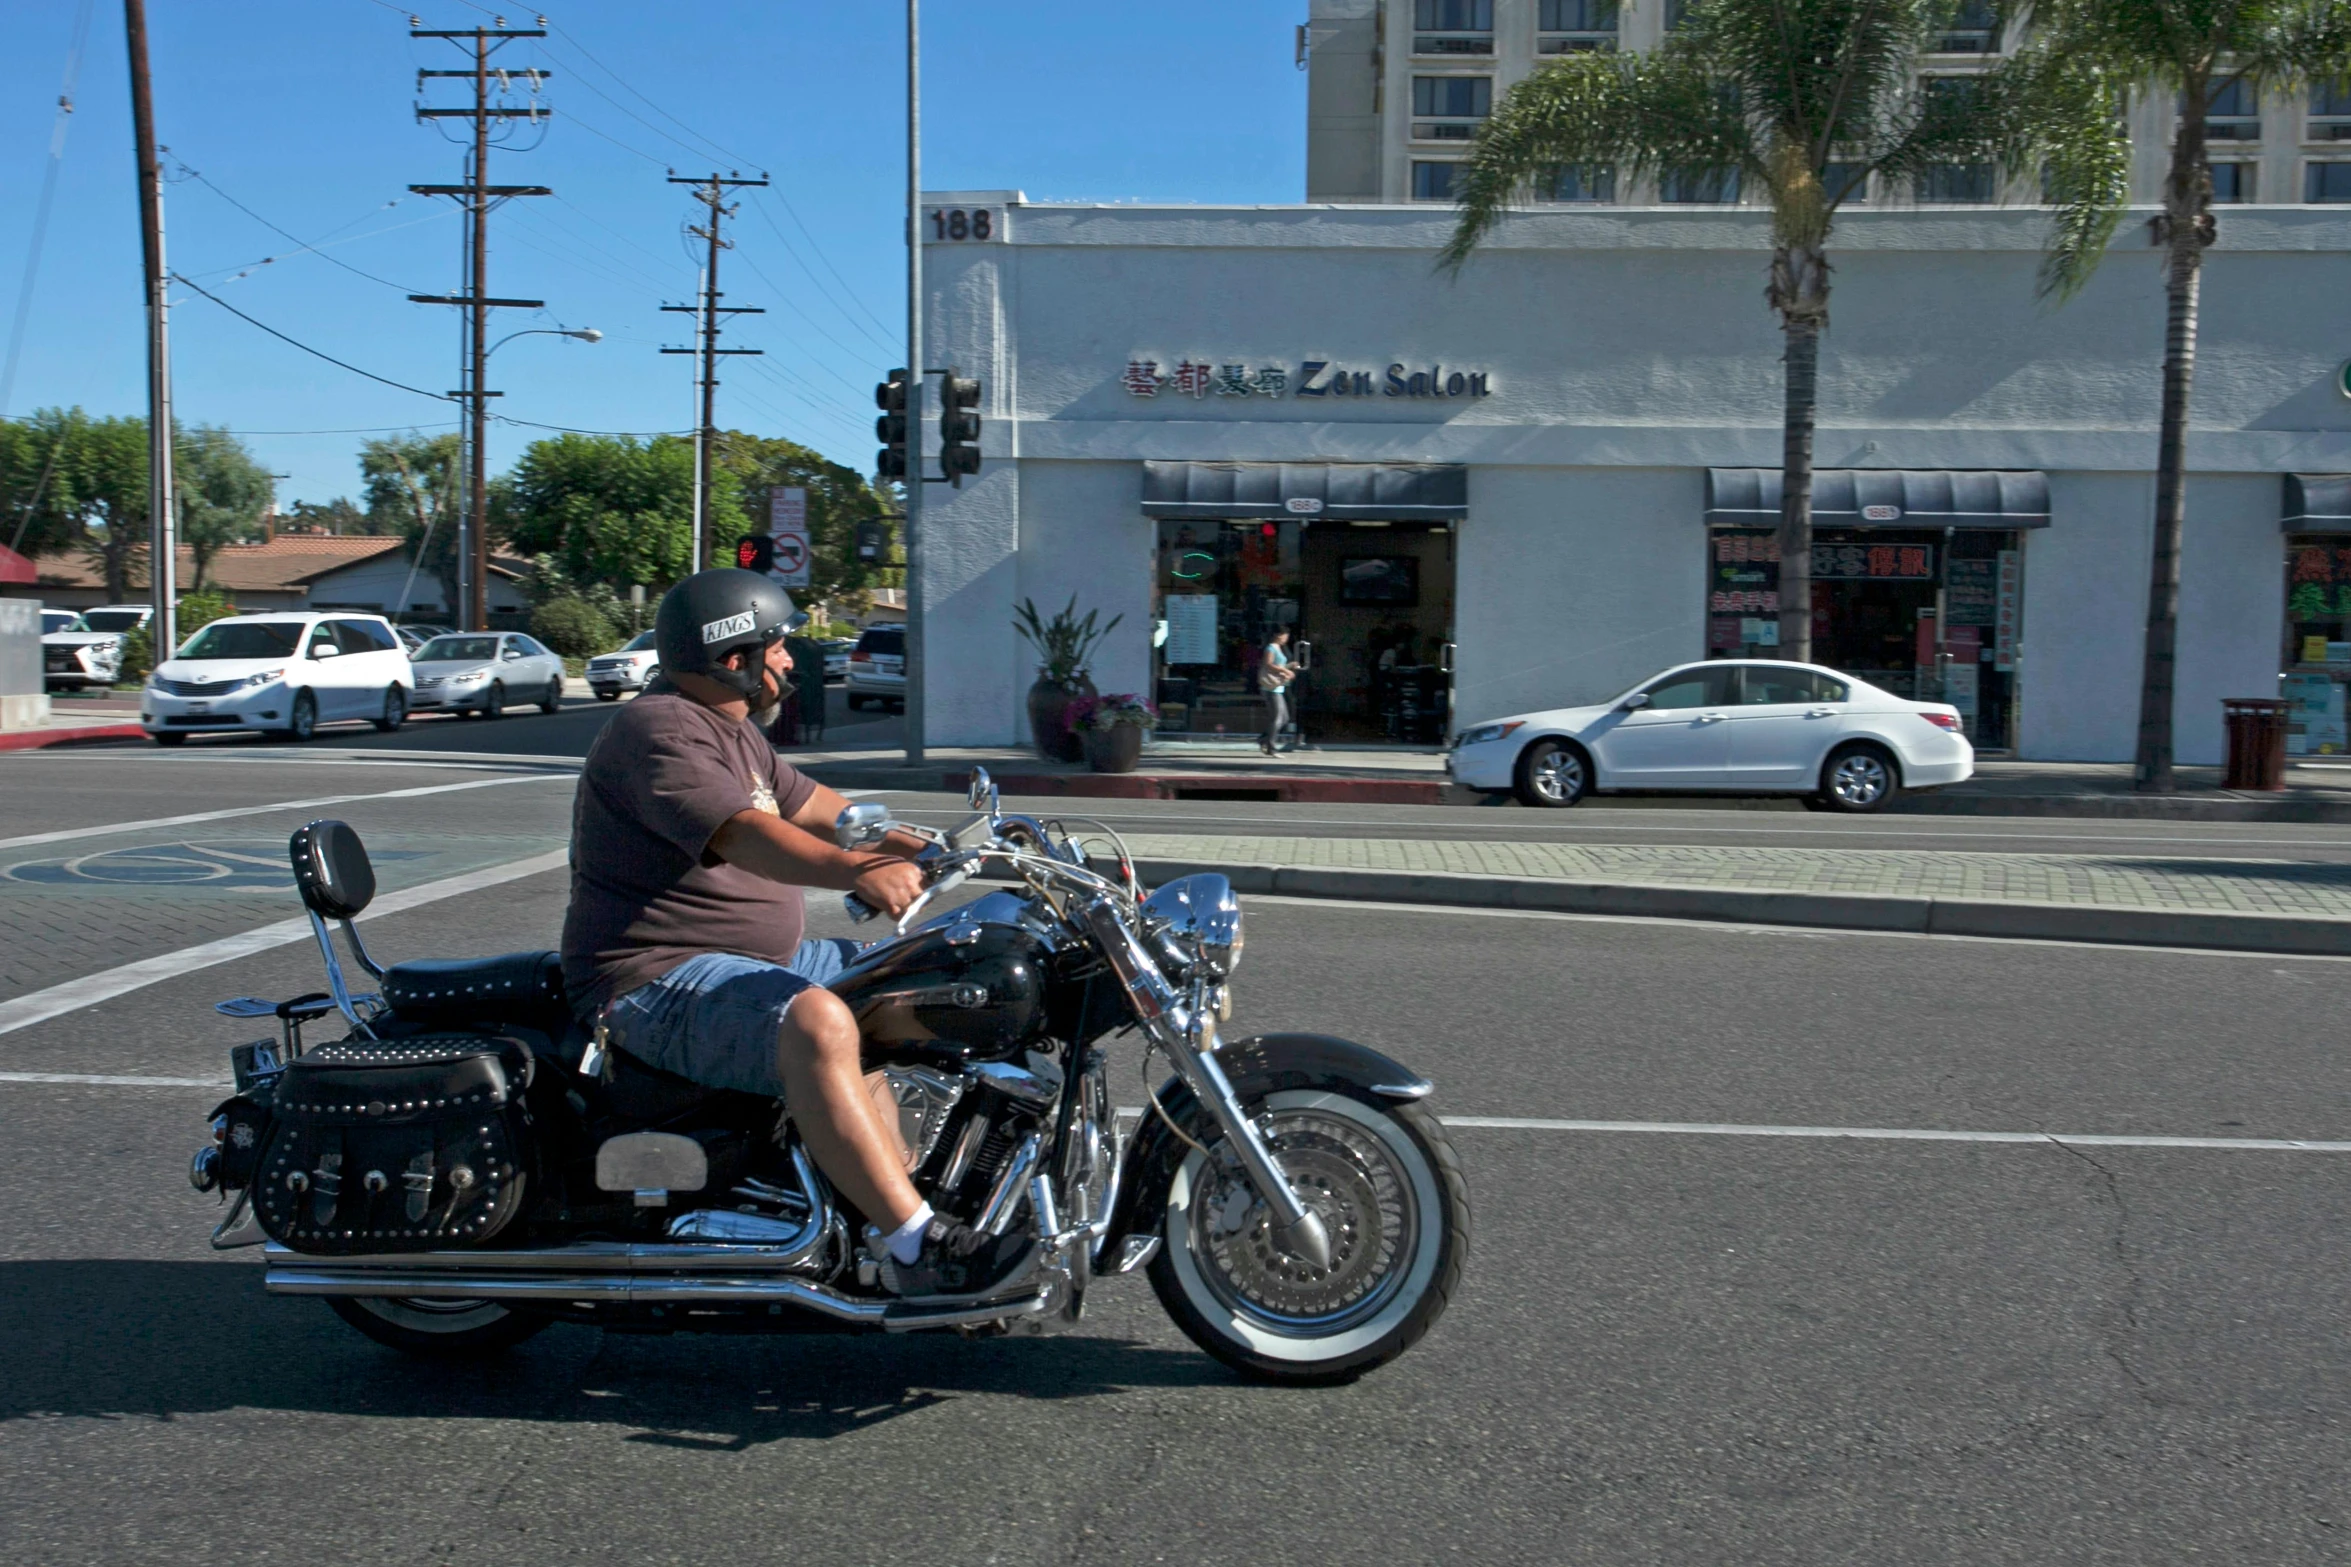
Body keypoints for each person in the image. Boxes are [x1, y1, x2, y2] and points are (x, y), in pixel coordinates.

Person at [561, 568, 1025, 1297]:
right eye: (775, 644)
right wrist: (854, 872)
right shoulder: (658, 728)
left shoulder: (734, 732)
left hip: (751, 955)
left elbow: (821, 810)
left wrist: (928, 844)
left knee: (910, 968)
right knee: (817, 1021)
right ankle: (914, 1246)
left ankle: (898, 1186)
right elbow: (744, 834)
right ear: (730, 656)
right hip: (651, 975)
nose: (789, 658)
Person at [1258, 628, 1296, 756]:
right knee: (1278, 718)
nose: (1286, 638)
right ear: (1278, 635)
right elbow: (1268, 664)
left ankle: (1263, 739)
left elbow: (1278, 666)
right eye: (1285, 635)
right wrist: (1286, 671)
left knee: (1284, 718)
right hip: (1270, 688)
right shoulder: (1271, 648)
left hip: (1278, 687)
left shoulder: (1279, 648)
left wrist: (1289, 666)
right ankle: (1271, 747)